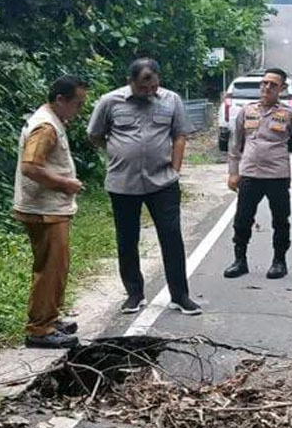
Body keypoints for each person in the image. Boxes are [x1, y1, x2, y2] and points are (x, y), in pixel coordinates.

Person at [87, 58, 201, 316]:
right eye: (142, 88)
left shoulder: (171, 100)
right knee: (127, 239)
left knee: (171, 237)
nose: (149, 93)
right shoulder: (109, 101)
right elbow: (95, 135)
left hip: (163, 182)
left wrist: (175, 168)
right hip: (122, 183)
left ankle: (180, 296)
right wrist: (117, 153)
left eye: (153, 87)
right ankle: (134, 294)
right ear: (131, 82)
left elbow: (179, 135)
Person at [13, 76, 88, 349]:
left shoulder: (52, 120)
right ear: (60, 100)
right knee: (50, 269)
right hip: (44, 209)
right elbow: (30, 167)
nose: (79, 110)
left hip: (51, 208)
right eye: (77, 104)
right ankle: (39, 329)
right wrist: (66, 183)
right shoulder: (45, 126)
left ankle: (49, 318)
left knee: (57, 267)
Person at [224, 67, 292, 279]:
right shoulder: (247, 111)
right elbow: (235, 144)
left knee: (281, 221)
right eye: (264, 83)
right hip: (250, 175)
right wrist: (233, 173)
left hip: (277, 176)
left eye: (273, 84)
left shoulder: (291, 114)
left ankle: (279, 261)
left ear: (281, 89)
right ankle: (240, 260)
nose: (267, 87)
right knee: (242, 220)